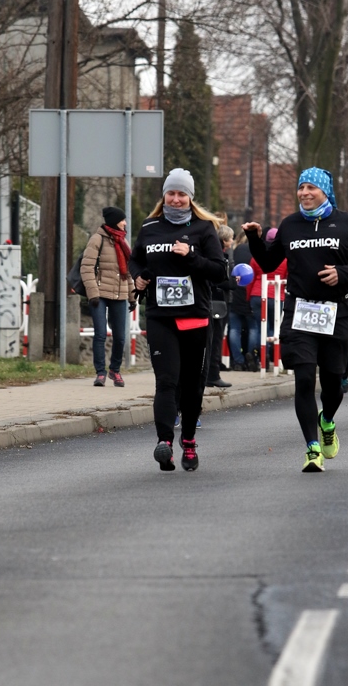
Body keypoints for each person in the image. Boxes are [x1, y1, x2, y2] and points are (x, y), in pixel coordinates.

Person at [242, 166, 348, 473]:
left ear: (324, 191)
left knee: (333, 385)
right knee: (304, 378)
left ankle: (327, 421)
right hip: (300, 312)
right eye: (301, 187)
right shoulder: (290, 225)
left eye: (311, 188)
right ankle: (312, 448)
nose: (304, 193)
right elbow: (268, 263)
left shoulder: (346, 223)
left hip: (337, 313)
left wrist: (342, 273)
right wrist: (254, 238)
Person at [129, 167, 227, 472]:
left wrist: (191, 257)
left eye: (181, 194)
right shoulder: (150, 227)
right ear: (164, 196)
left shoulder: (204, 229)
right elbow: (136, 259)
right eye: (171, 193)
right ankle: (164, 443)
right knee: (166, 381)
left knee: (192, 385)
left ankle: (189, 440)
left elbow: (219, 271)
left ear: (190, 197)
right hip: (160, 316)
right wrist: (138, 278)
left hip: (195, 317)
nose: (175, 199)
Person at [81, 206, 136, 387]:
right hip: (100, 294)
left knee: (120, 336)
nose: (125, 223)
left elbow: (128, 273)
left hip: (119, 294)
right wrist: (93, 293)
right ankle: (100, 373)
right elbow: (86, 267)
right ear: (114, 221)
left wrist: (132, 297)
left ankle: (115, 370)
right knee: (100, 334)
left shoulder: (123, 241)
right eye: (122, 220)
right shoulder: (97, 239)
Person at [248, 227, 287, 369]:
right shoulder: (284, 258)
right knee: (274, 328)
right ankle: (269, 356)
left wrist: (249, 296)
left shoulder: (257, 257)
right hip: (276, 295)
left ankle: (254, 353)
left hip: (257, 293)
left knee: (258, 327)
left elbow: (250, 278)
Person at [206, 224, 234, 388]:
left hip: (211, 301)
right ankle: (213, 374)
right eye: (230, 238)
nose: (232, 241)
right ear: (224, 240)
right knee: (215, 339)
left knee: (211, 340)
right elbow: (223, 280)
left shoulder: (213, 255)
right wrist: (233, 281)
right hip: (217, 302)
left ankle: (208, 373)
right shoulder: (221, 258)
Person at [228, 232, 258, 371]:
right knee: (253, 328)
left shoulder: (235, 252)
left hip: (235, 295)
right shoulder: (255, 253)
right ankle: (251, 357)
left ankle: (237, 361)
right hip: (250, 295)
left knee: (234, 329)